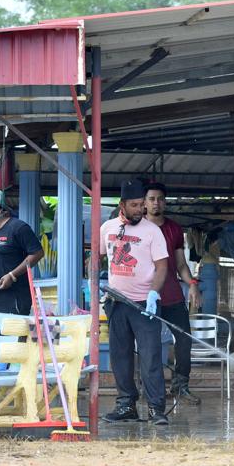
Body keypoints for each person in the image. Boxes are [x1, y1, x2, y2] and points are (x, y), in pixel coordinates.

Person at [101, 178, 170, 426]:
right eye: (134, 205)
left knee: (151, 357)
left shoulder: (153, 231)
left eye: (141, 204)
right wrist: (96, 282)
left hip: (145, 305)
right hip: (117, 303)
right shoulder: (108, 227)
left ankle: (155, 409)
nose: (140, 209)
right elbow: (97, 257)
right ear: (122, 205)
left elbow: (162, 266)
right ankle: (126, 405)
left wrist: (154, 293)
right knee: (120, 357)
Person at [144, 181, 203, 405]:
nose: (156, 202)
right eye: (151, 199)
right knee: (147, 343)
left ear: (165, 202)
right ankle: (149, 389)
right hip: (145, 295)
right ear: (144, 203)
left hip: (172, 295)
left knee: (184, 339)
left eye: (159, 198)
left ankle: (180, 386)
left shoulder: (174, 229)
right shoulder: (138, 228)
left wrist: (193, 284)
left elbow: (180, 264)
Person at [0, 187, 44, 368]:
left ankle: (10, 392)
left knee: (11, 345)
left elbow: (37, 253)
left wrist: (13, 275)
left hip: (15, 299)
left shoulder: (18, 228)